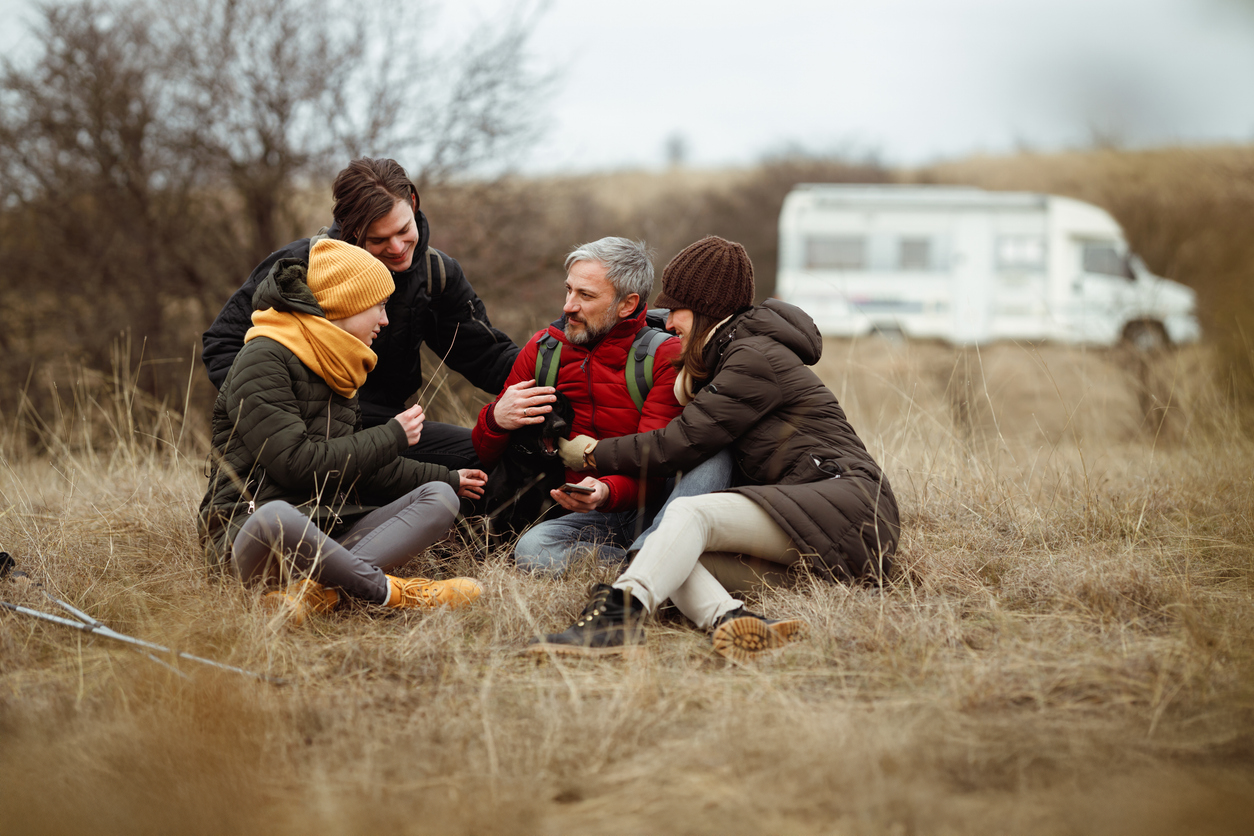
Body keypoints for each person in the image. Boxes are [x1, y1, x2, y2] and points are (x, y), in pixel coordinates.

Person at [530, 236, 901, 662]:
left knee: (688, 515)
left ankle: (615, 622)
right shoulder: (728, 350)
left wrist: (593, 454)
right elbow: (663, 326)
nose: (669, 324)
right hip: (810, 522)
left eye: (677, 311)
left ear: (704, 310)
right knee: (673, 554)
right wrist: (626, 320)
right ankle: (732, 621)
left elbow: (679, 443)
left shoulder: (754, 357)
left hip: (848, 506)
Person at [198, 238, 488, 624]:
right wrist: (393, 435)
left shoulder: (338, 362)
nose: (384, 320)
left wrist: (447, 477)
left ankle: (316, 593)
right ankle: (393, 593)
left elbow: (363, 466)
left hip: (330, 528)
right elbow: (293, 464)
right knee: (276, 516)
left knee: (438, 498)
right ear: (346, 304)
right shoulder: (263, 358)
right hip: (250, 537)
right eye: (379, 306)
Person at [202, 157, 519, 471]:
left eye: (404, 229)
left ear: (413, 202)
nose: (396, 247)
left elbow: (486, 356)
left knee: (494, 455)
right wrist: (280, 423)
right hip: (311, 439)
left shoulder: (437, 274)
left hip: (390, 429)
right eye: (378, 240)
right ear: (352, 231)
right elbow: (223, 343)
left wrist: (557, 369)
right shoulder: (299, 268)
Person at [473, 237, 721, 574]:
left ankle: (655, 561)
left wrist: (606, 491)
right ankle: (655, 565)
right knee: (532, 550)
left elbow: (658, 462)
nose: (568, 306)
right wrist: (496, 419)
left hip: (652, 504)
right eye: (569, 290)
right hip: (579, 512)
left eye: (586, 295)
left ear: (627, 304)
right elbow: (486, 454)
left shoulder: (663, 356)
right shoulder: (543, 350)